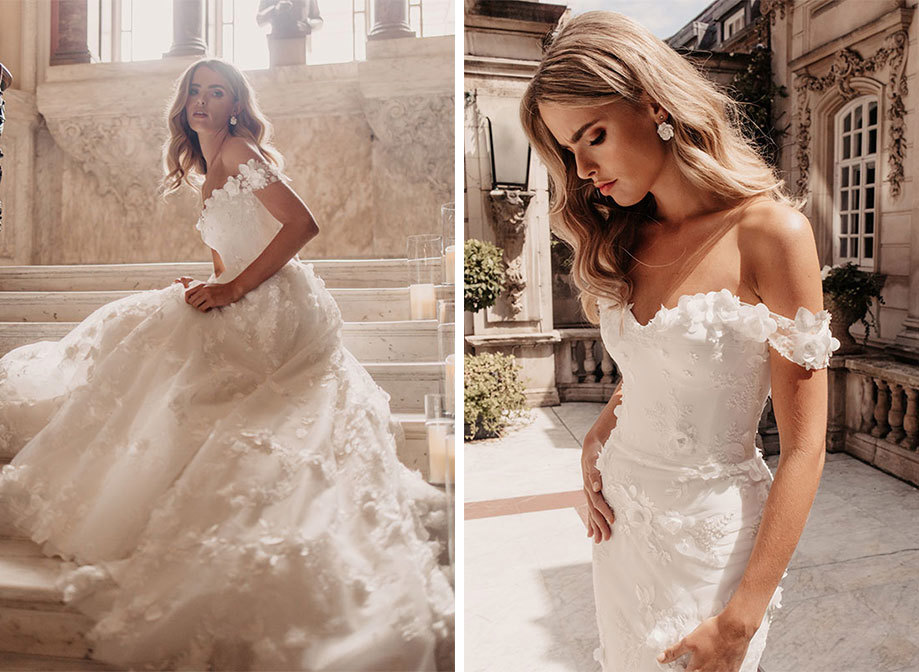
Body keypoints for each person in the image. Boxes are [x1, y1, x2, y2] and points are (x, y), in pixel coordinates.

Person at [0, 57, 453, 671]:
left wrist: (234, 291)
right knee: (147, 323)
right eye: (196, 91)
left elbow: (302, 224)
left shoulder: (239, 150)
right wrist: (213, 281)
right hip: (245, 290)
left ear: (236, 104)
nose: (203, 101)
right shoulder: (206, 166)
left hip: (277, 306)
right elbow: (229, 255)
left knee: (158, 337)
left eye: (217, 92)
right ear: (184, 103)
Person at [519, 11, 840, 672]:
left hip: (711, 543)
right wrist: (595, 435)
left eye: (594, 137)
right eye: (567, 152)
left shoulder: (770, 233)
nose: (582, 170)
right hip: (622, 521)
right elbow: (649, 366)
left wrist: (740, 619)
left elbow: (805, 447)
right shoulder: (624, 238)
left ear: (653, 102)